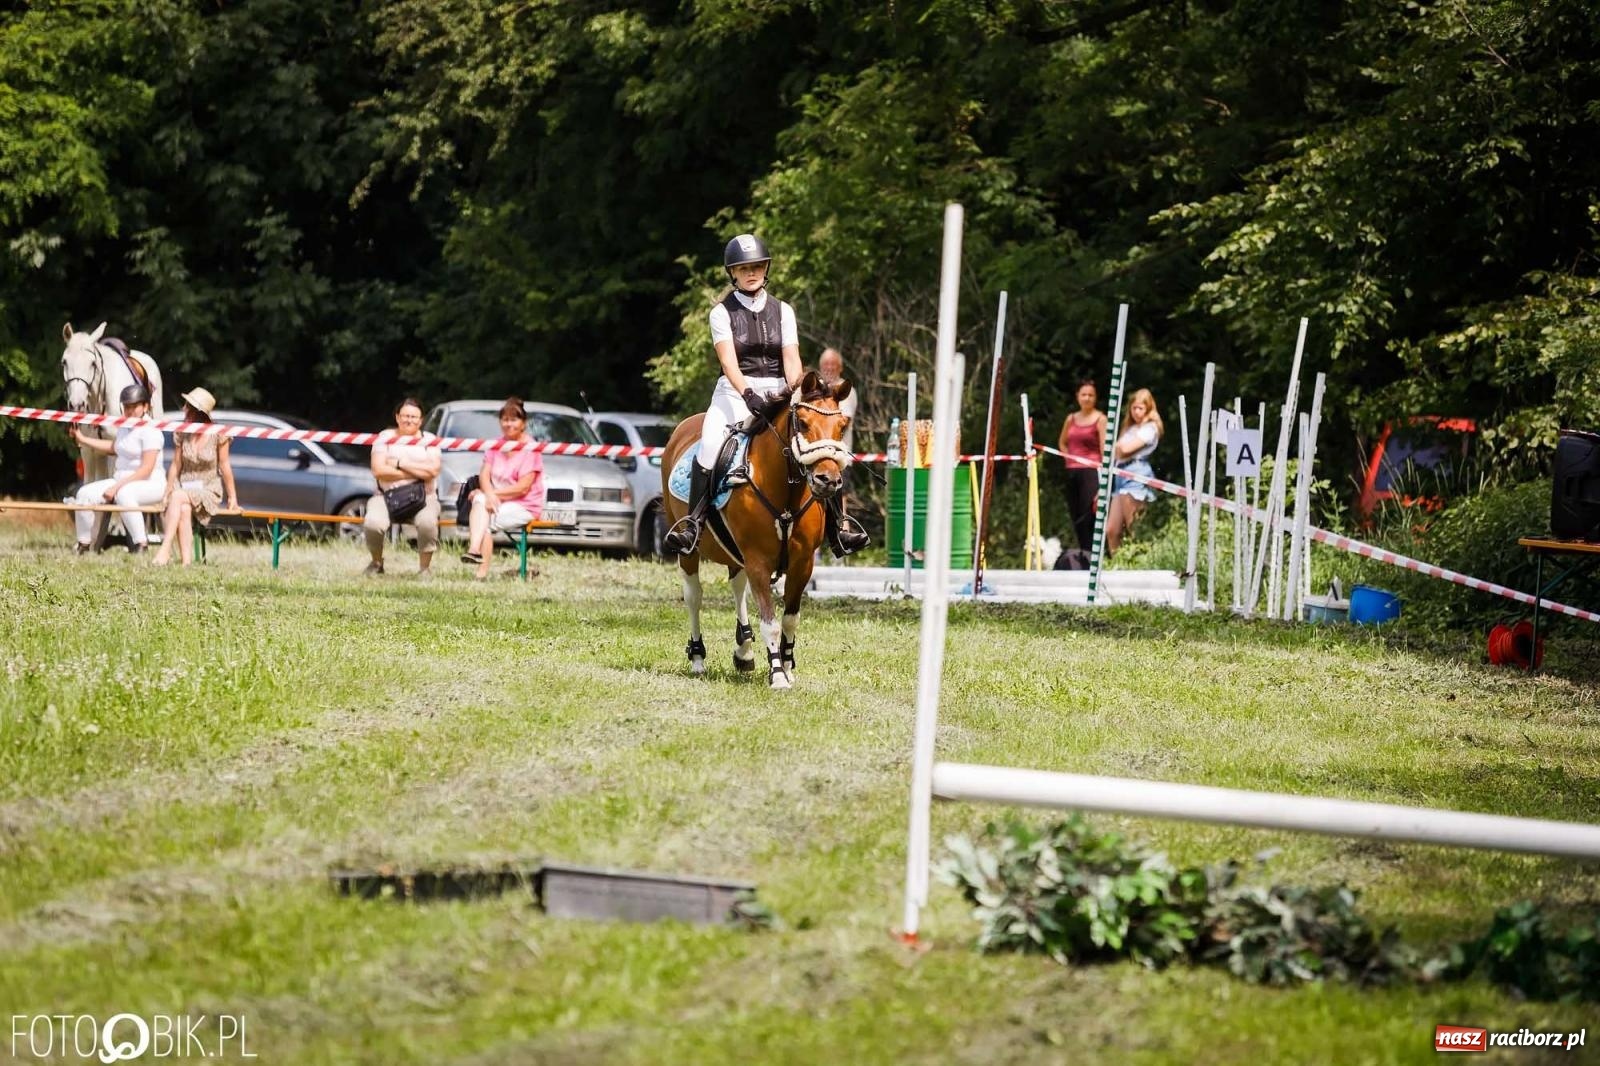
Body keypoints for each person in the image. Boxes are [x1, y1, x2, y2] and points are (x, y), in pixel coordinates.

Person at [664, 233, 866, 556]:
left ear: (766, 268)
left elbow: (790, 358)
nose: (752, 272)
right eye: (744, 268)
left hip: (779, 390)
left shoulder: (783, 311)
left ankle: (837, 528)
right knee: (711, 446)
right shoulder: (721, 313)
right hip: (733, 393)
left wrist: (798, 391)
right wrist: (747, 394)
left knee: (816, 447)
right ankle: (693, 524)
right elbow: (728, 361)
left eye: (757, 266)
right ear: (733, 273)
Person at [68, 383, 165, 554]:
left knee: (124, 494)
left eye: (134, 406)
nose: (129, 411)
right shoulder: (125, 427)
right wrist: (82, 439)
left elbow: (146, 469)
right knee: (83, 494)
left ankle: (141, 545)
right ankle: (84, 544)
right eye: (126, 406)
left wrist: (116, 487)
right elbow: (114, 447)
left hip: (151, 484)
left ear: (145, 406)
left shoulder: (151, 430)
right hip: (121, 481)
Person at [459, 397, 545, 580]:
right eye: (505, 419)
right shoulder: (495, 445)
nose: (508, 424)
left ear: (523, 423)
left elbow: (523, 488)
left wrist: (490, 494)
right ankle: (474, 550)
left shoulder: (531, 447)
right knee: (480, 502)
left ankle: (481, 571)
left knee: (484, 521)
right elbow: (484, 474)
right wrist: (488, 494)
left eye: (513, 419)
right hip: (496, 500)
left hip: (525, 504)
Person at [151, 387, 238, 566]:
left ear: (199, 413)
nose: (183, 409)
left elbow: (225, 465)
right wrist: (168, 489)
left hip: (207, 488)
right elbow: (176, 464)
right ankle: (186, 563)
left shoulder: (218, 434)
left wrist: (233, 498)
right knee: (182, 507)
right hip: (184, 487)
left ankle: (165, 549)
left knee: (178, 497)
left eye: (188, 406)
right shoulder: (182, 432)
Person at [363, 397, 441, 578]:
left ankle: (424, 569)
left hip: (424, 497)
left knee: (428, 523)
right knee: (373, 523)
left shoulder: (430, 440)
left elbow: (433, 471)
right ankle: (376, 563)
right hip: (386, 496)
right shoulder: (385, 437)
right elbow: (378, 470)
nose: (409, 420)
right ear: (397, 417)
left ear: (421, 420)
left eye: (414, 417)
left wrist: (399, 463)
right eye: (405, 416)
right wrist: (416, 473)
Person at [817, 347, 868, 557]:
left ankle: (842, 540)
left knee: (839, 500)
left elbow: (843, 422)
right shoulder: (815, 389)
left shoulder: (844, 390)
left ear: (840, 367)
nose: (829, 368)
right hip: (815, 454)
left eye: (832, 364)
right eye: (825, 364)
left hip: (839, 455)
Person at [1104, 387, 1163, 557]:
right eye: (1134, 407)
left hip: (1135, 474)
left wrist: (1117, 447)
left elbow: (1124, 450)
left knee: (1134, 527)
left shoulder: (1150, 428)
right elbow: (1115, 452)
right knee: (1112, 530)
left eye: (1141, 408)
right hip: (1119, 475)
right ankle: (1118, 564)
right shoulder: (1129, 428)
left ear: (1149, 409)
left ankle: (1142, 562)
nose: (1136, 412)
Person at [1057, 378, 1106, 552]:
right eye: (1084, 394)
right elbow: (1062, 442)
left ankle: (1094, 553)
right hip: (1072, 471)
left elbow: (1104, 449)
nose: (1087, 398)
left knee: (1089, 515)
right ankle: (1083, 553)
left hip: (1091, 472)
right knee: (1075, 514)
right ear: (1077, 396)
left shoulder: (1100, 419)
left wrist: (1104, 476)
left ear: (1095, 397)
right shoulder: (1070, 419)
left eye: (1090, 395)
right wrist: (1068, 459)